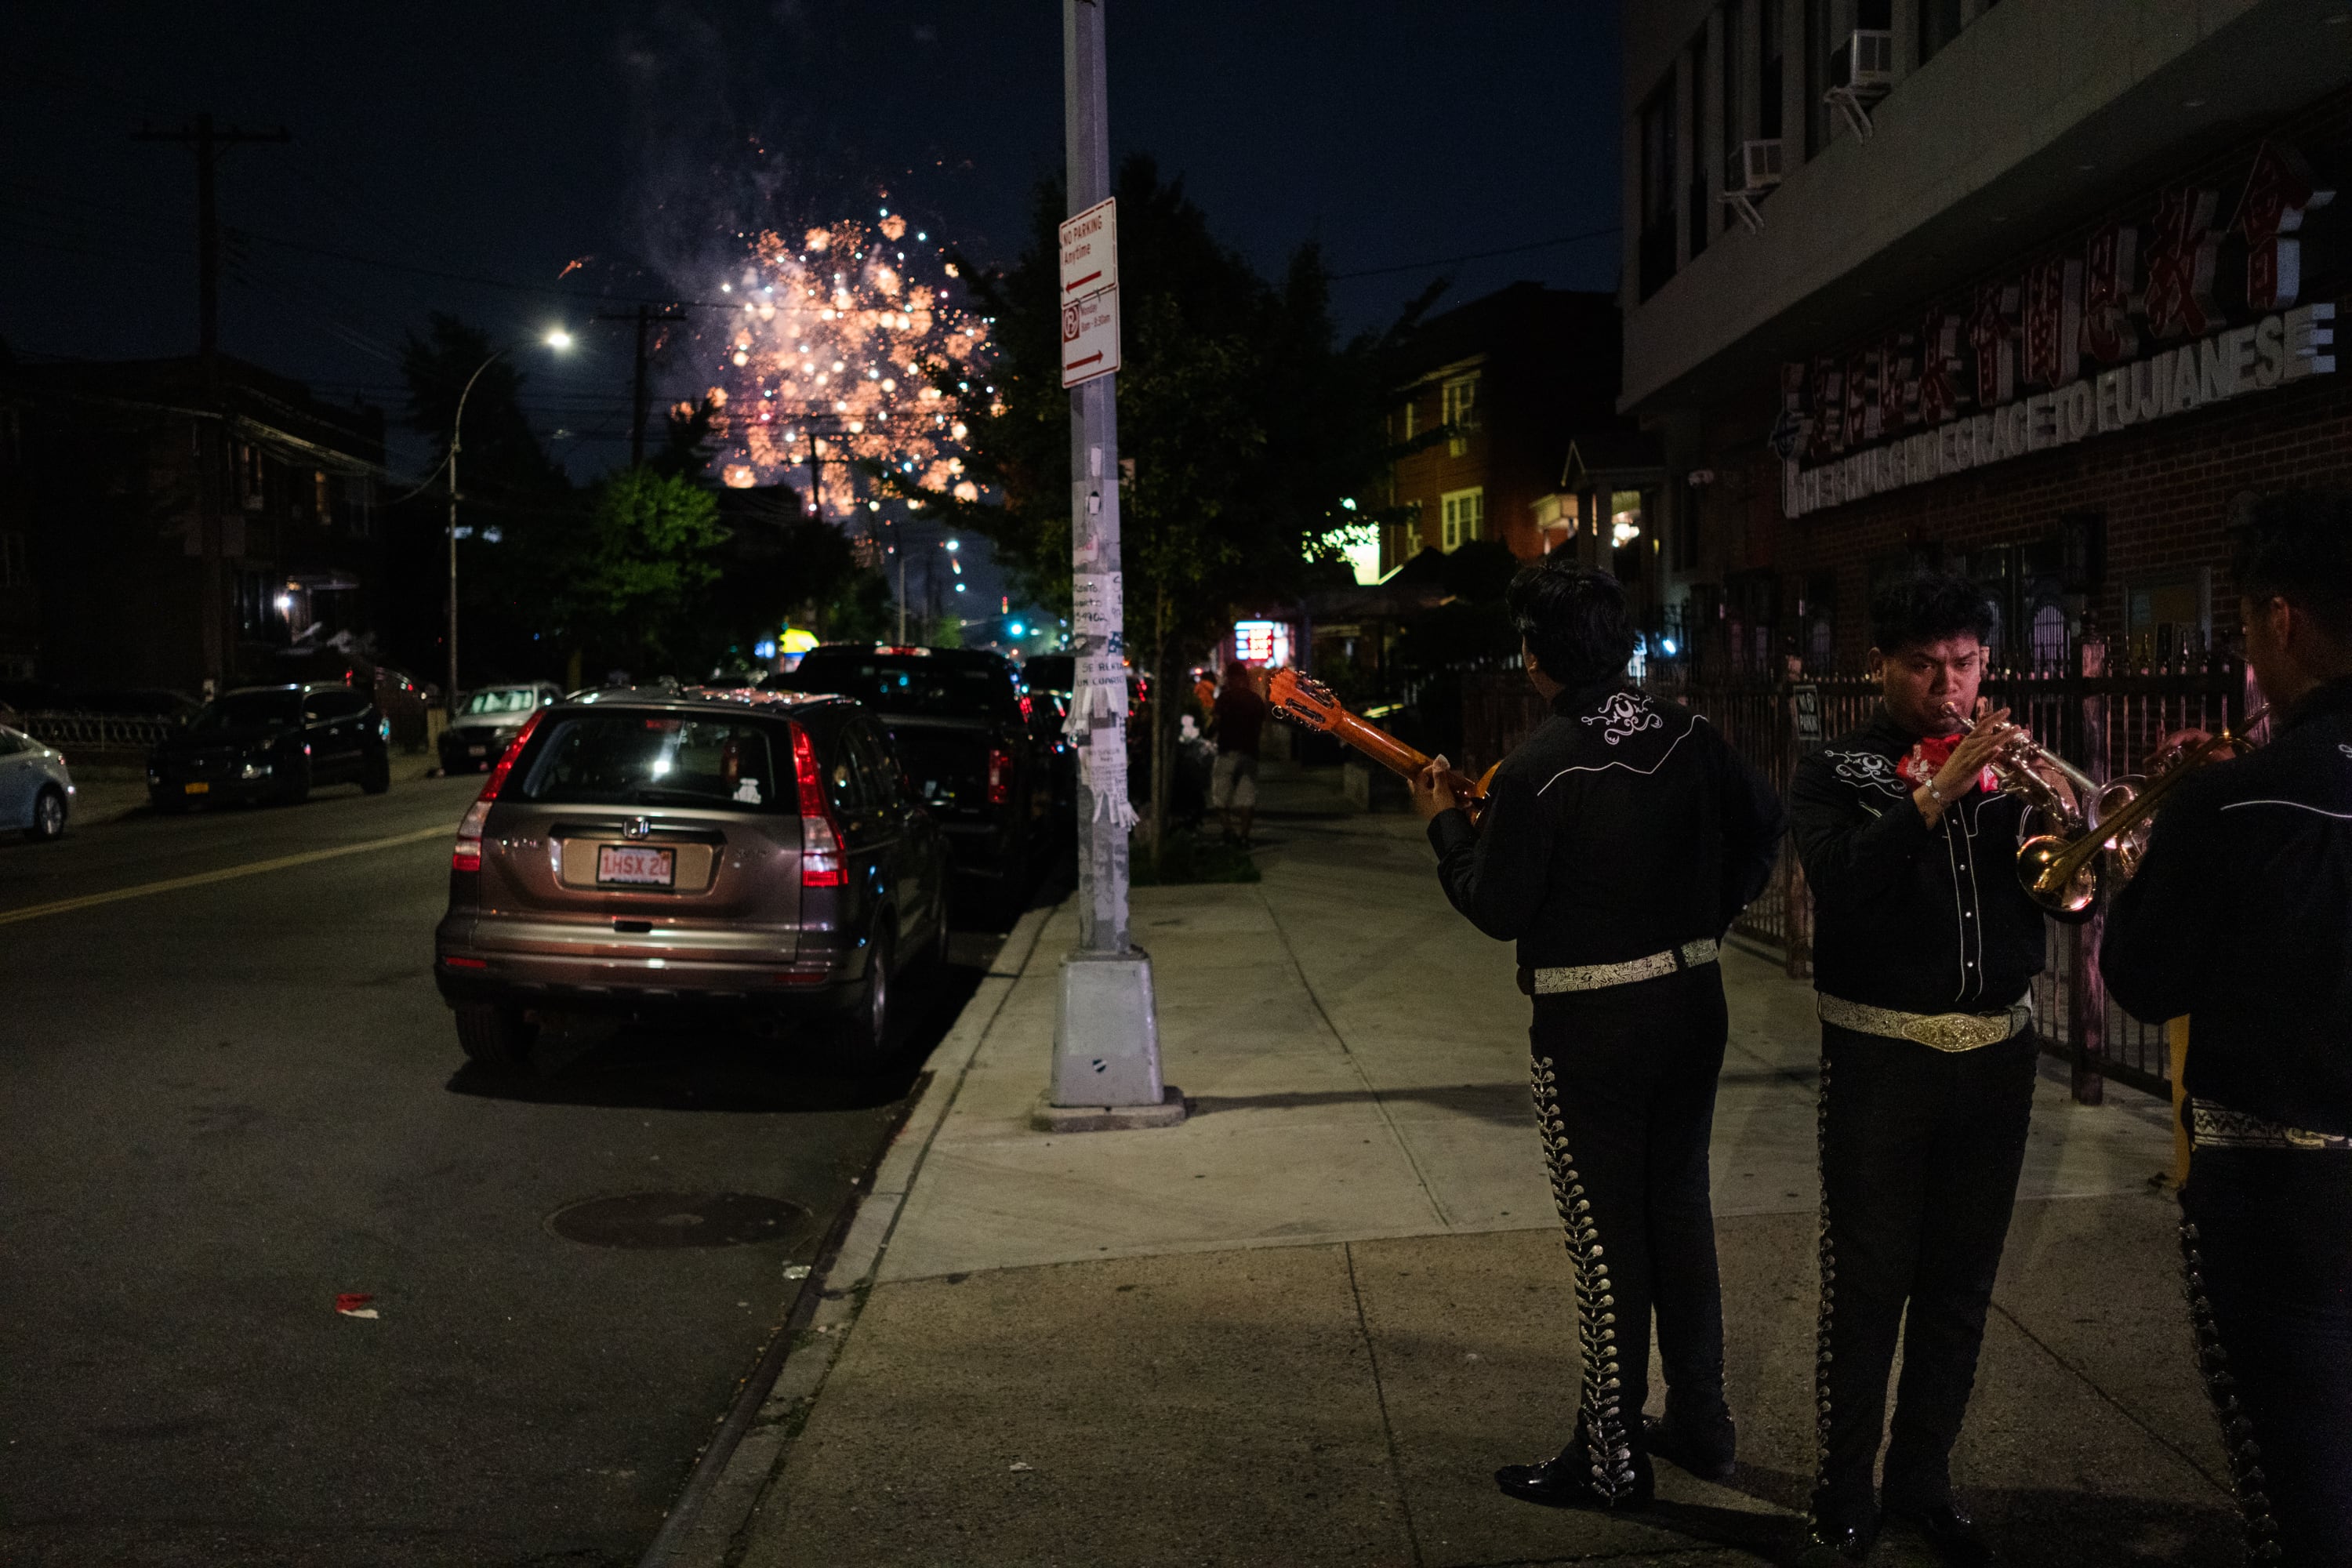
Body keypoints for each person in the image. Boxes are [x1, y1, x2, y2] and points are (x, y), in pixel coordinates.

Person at [1411, 562, 1784, 1512]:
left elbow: (1498, 906)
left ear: (1533, 656)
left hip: (1592, 1024)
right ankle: (1703, 1421)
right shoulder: (1689, 735)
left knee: (1606, 1234)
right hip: (1693, 1003)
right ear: (1617, 645)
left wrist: (1447, 829)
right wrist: (1714, 905)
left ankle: (1611, 1452)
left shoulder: (1542, 764)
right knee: (1679, 1214)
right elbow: (1764, 822)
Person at [1782, 573, 2088, 1567]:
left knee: (1961, 1283)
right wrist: (1935, 791)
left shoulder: (2014, 772)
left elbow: (2058, 890)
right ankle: (1844, 1485)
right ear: (1882, 666)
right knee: (1870, 1283)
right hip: (1880, 1056)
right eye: (1922, 664)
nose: (1945, 684)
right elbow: (1842, 882)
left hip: (1998, 1055)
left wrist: (2074, 835)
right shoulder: (1837, 769)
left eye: (1962, 663)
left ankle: (1924, 1477)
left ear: (1986, 662)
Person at [2099, 491, 2352, 1567]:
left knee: (2300, 1493)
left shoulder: (2236, 801)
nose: (2247, 656)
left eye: (2246, 629)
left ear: (2282, 621)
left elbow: (2144, 983)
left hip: (2281, 1196)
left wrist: (2155, 871)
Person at [1210, 662, 1268, 847]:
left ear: (1231, 678)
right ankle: (1244, 836)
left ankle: (1228, 830)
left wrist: (1208, 733)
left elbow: (1216, 723)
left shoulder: (1225, 699)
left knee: (1220, 795)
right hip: (1250, 753)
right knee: (1247, 797)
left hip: (1227, 751)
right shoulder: (1256, 700)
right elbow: (1263, 726)